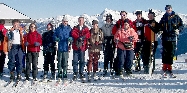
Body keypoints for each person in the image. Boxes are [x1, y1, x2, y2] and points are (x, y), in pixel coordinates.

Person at [159, 5, 183, 77]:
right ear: (165, 10)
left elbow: (181, 25)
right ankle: (164, 66)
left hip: (172, 38)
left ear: (171, 9)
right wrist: (160, 30)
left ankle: (169, 67)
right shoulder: (164, 17)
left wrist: (178, 30)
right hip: (165, 38)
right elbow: (160, 26)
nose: (168, 9)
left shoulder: (176, 17)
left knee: (171, 53)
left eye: (169, 8)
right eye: (167, 9)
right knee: (165, 52)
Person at [112, 11, 133, 75]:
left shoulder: (131, 23)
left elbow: (134, 33)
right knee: (121, 58)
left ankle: (128, 69)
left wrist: (133, 39)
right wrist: (116, 39)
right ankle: (119, 69)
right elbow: (114, 32)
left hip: (129, 44)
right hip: (121, 44)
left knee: (129, 58)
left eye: (124, 15)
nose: (122, 16)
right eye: (121, 15)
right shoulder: (118, 23)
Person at [71, 16, 90, 82]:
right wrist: (78, 37)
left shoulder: (86, 28)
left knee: (82, 61)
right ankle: (75, 72)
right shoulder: (75, 28)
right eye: (79, 20)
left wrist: (83, 37)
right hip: (76, 46)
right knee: (75, 60)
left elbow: (88, 34)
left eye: (81, 20)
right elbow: (73, 33)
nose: (80, 21)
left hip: (82, 46)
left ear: (83, 21)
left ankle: (81, 72)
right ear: (78, 21)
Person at [53, 17, 72, 81]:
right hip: (60, 47)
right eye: (64, 21)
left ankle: (65, 72)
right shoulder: (58, 29)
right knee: (60, 61)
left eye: (66, 21)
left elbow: (72, 36)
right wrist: (56, 38)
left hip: (66, 47)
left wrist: (71, 39)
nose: (65, 22)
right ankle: (60, 72)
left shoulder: (69, 29)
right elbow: (54, 35)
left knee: (65, 61)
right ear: (62, 21)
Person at [142, 10, 159, 74]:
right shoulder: (146, 23)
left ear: (154, 16)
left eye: (152, 15)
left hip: (153, 41)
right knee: (145, 54)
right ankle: (146, 66)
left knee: (151, 55)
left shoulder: (156, 23)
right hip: (146, 41)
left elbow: (157, 30)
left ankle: (152, 67)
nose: (150, 17)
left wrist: (151, 27)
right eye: (149, 15)